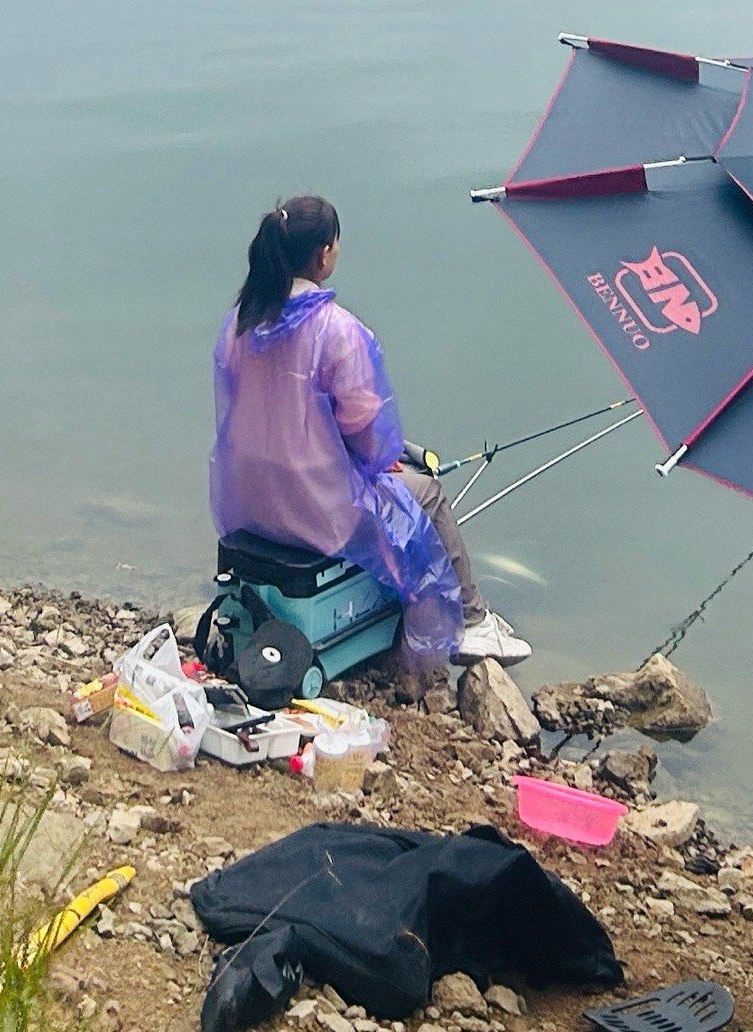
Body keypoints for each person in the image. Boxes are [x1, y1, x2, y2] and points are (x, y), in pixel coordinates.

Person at [211, 193, 531, 680]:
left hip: (249, 499)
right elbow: (366, 430)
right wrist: (384, 460)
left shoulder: (241, 321)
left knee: (401, 477)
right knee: (427, 492)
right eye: (336, 245)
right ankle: (472, 620)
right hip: (313, 509)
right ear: (323, 255)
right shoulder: (337, 330)